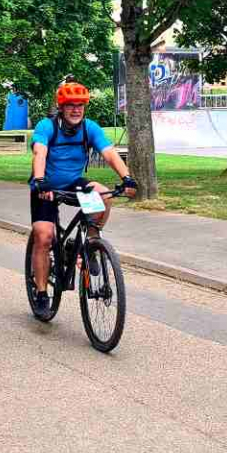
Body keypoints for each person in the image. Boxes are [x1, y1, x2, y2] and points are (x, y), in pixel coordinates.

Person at [27, 82, 136, 311]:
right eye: (70, 106)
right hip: (45, 188)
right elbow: (40, 152)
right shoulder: (47, 126)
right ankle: (41, 293)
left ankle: (90, 243)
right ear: (61, 107)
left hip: (74, 184)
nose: (76, 110)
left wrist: (127, 178)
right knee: (44, 237)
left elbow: (109, 153)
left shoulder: (90, 128)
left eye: (80, 105)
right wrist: (39, 180)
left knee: (104, 195)